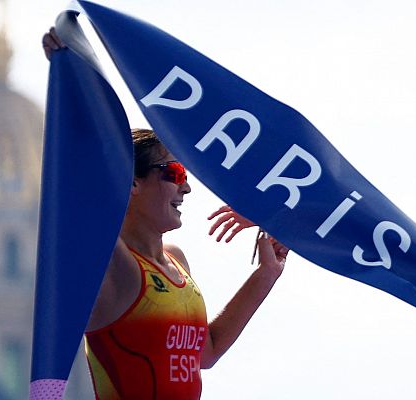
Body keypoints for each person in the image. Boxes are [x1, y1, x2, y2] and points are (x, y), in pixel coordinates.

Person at [43, 31, 288, 399]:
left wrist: (266, 273)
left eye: (185, 176)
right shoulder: (116, 266)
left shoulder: (177, 260)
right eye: (173, 175)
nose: (185, 188)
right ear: (132, 184)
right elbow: (85, 192)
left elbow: (206, 352)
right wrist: (71, 80)